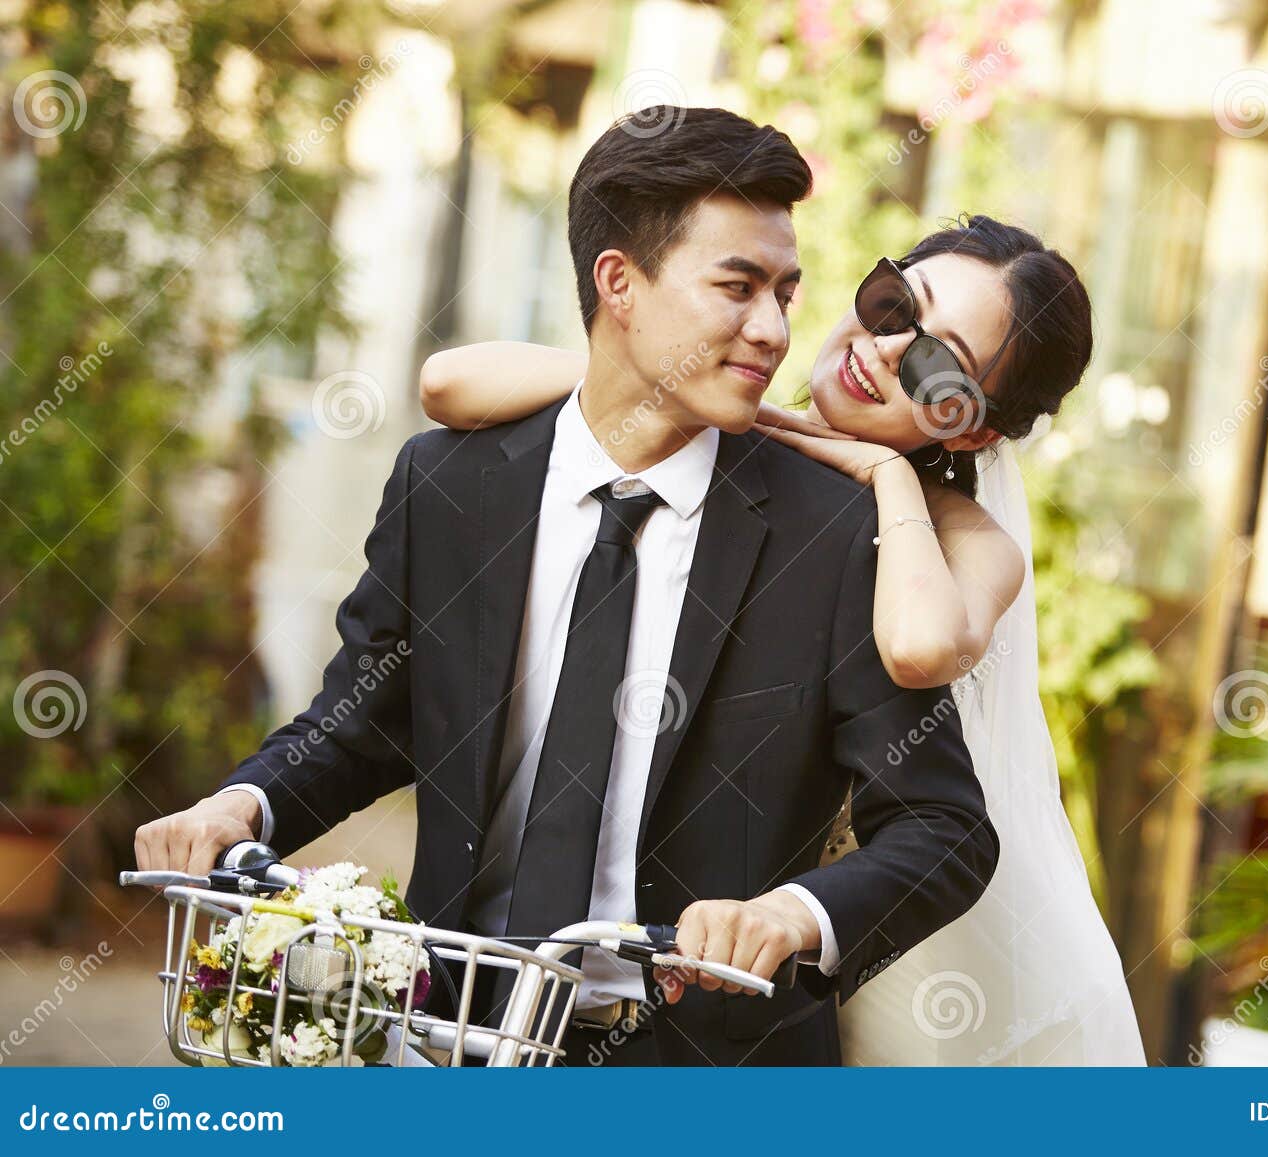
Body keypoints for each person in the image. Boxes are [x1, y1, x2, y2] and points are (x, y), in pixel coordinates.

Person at [132, 106, 999, 1067]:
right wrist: (240, 807)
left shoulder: (833, 537)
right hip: (450, 1037)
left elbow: (943, 827)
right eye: (737, 286)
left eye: (787, 293)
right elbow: (365, 721)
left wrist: (792, 915)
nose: (773, 329)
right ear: (619, 283)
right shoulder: (452, 485)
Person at [419, 213, 1147, 1065]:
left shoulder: (970, 538)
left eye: (935, 362)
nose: (883, 350)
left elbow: (917, 646)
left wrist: (881, 474)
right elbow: (445, 382)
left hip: (882, 950)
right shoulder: (727, 424)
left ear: (975, 427)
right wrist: (670, 383)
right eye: (891, 305)